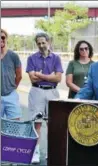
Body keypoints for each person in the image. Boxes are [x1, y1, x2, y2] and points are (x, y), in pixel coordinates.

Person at [26, 32, 63, 164]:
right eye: (39, 43)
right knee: (36, 123)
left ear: (49, 42)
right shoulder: (31, 58)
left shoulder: (56, 58)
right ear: (36, 44)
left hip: (52, 92)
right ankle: (35, 152)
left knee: (51, 124)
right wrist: (49, 76)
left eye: (44, 42)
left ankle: (50, 152)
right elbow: (32, 77)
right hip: (37, 91)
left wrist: (40, 75)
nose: (41, 45)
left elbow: (58, 78)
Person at [1, 29, 22, 120]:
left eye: (3, 37)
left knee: (15, 123)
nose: (1, 39)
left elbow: (19, 76)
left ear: (6, 39)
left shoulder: (13, 56)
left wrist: (12, 87)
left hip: (10, 95)